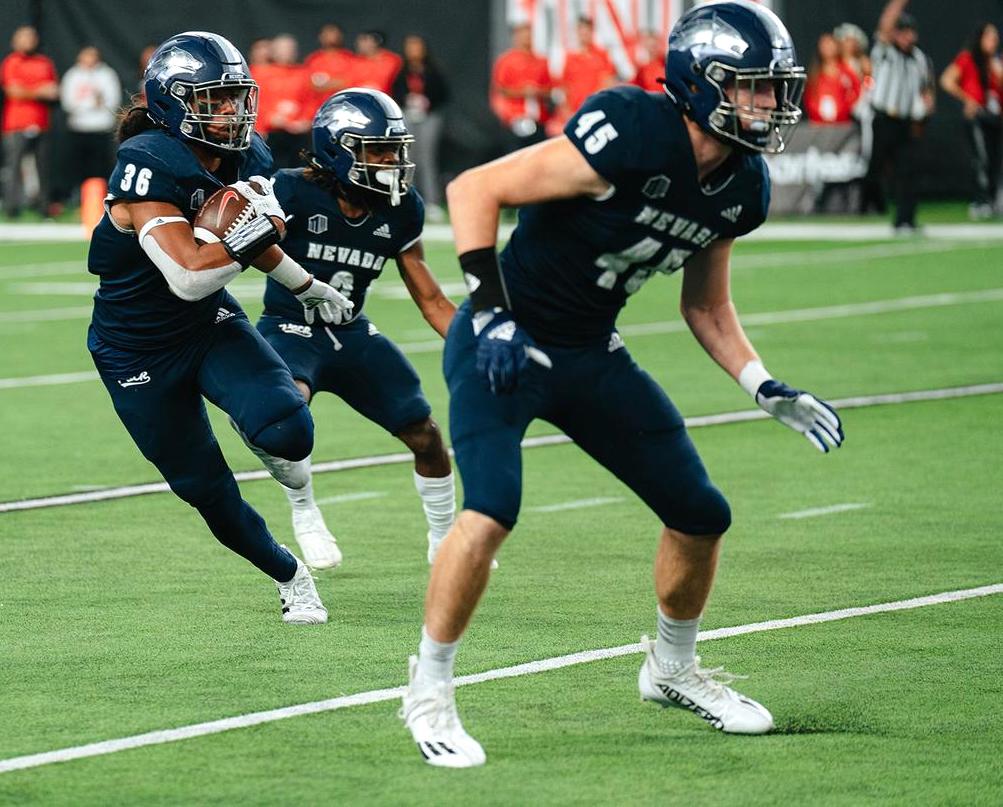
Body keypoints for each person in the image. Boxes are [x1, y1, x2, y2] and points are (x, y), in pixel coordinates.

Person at [399, 0, 844, 768]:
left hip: (588, 351)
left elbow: (704, 304)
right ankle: (428, 687)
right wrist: (492, 313)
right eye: (755, 86)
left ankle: (671, 669)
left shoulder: (744, 185)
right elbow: (475, 189)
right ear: (701, 85)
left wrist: (761, 382)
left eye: (776, 87)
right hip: (503, 340)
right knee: (491, 506)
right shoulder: (633, 130)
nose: (772, 104)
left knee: (699, 511)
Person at [86, 31, 352, 624]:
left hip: (207, 325)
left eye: (236, 96)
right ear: (174, 102)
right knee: (203, 487)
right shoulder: (147, 162)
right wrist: (257, 230)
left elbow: (246, 241)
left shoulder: (244, 151)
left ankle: (263, 436)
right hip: (135, 351)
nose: (234, 111)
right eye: (215, 99)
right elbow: (188, 274)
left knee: (287, 428)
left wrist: (304, 285)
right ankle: (290, 573)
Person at [240, 88, 462, 572]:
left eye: (395, 149)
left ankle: (446, 538)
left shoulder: (402, 207)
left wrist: (476, 345)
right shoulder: (292, 190)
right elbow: (249, 247)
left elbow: (430, 297)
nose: (391, 161)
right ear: (338, 150)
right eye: (378, 150)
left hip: (353, 331)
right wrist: (300, 283)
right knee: (284, 414)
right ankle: (304, 509)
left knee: (425, 434)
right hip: (290, 326)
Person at [863, 0, 935, 232]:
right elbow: (885, 25)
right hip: (884, 118)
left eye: (909, 32)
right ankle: (870, 204)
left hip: (905, 121)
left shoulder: (920, 59)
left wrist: (926, 108)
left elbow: (926, 89)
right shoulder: (884, 51)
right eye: (901, 32)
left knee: (909, 170)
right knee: (875, 169)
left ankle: (906, 219)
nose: (906, 37)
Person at [940, 23, 1003, 219]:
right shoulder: (967, 59)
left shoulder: (994, 62)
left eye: (995, 38)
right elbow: (946, 80)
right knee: (981, 158)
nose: (994, 41)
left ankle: (993, 199)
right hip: (978, 116)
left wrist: (994, 64)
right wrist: (968, 100)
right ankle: (980, 201)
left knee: (995, 160)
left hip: (996, 117)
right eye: (989, 37)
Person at [1, 25, 58, 218]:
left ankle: (43, 207)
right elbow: (13, 91)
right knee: (14, 166)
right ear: (15, 41)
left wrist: (30, 90)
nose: (29, 41)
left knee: (43, 167)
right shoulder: (11, 62)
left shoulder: (44, 62)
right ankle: (12, 208)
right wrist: (39, 91)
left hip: (41, 122)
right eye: (24, 37)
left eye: (32, 37)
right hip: (16, 123)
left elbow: (53, 90)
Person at [391, 34, 450, 222]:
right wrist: (407, 101)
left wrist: (427, 102)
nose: (413, 50)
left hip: (429, 116)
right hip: (408, 115)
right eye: (410, 46)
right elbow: (396, 91)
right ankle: (408, 198)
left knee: (427, 158)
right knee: (408, 157)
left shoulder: (433, 70)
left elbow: (443, 93)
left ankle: (432, 202)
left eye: (416, 46)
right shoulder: (402, 71)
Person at [60, 46, 121, 196]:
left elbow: (112, 102)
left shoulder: (107, 75)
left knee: (101, 168)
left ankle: (101, 198)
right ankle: (79, 199)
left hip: (101, 129)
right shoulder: (72, 75)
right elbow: (68, 103)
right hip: (79, 128)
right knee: (78, 168)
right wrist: (91, 104)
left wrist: (84, 105)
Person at [252, 34, 312, 169]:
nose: (288, 52)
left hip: (298, 133)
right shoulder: (261, 73)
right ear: (274, 51)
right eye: (284, 49)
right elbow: (256, 102)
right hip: (271, 133)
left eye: (291, 48)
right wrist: (270, 119)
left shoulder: (303, 73)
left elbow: (310, 101)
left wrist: (306, 120)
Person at [549, 16, 618, 134]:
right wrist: (567, 111)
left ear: (592, 32)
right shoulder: (570, 58)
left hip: (595, 112)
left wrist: (593, 107)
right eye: (581, 31)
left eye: (587, 31)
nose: (584, 34)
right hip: (574, 114)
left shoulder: (602, 56)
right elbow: (564, 87)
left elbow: (608, 83)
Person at [490, 23, 552, 152]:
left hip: (538, 118)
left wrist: (537, 91)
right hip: (515, 118)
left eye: (528, 34)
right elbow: (500, 89)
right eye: (522, 34)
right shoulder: (506, 61)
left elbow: (549, 89)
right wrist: (522, 92)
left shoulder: (540, 61)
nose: (526, 38)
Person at [804, 33, 861, 125]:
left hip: (842, 123)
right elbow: (809, 98)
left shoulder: (846, 71)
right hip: (818, 124)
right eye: (824, 45)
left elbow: (856, 90)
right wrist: (816, 114)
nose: (827, 48)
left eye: (830, 44)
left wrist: (845, 109)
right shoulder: (814, 73)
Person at [303, 24, 357, 118]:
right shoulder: (314, 59)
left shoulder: (350, 58)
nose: (332, 37)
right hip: (320, 111)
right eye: (328, 33)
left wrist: (326, 84)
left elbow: (352, 83)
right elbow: (309, 85)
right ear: (321, 37)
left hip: (346, 109)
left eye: (334, 33)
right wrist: (336, 83)